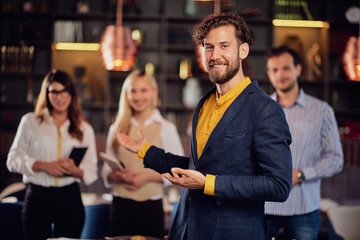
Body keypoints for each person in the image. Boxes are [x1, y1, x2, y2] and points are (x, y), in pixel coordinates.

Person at [115, 13, 293, 240]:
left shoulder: (265, 109)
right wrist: (145, 151)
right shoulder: (204, 103)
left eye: (224, 46)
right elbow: (195, 168)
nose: (215, 55)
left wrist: (209, 183)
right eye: (209, 47)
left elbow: (278, 185)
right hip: (187, 230)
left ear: (243, 50)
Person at [6, 69, 98, 240]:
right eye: (54, 91)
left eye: (64, 91)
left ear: (71, 94)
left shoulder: (84, 129)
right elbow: (12, 161)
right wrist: (43, 166)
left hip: (69, 197)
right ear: (46, 94)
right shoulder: (30, 121)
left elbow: (91, 172)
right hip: (37, 197)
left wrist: (74, 170)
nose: (59, 97)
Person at [265, 46, 344, 240]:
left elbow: (335, 158)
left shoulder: (322, 111)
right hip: (265, 206)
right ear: (268, 73)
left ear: (298, 69)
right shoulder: (261, 110)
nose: (280, 74)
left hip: (304, 209)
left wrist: (301, 174)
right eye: (274, 70)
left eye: (285, 68)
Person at [101, 69, 184, 238]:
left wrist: (145, 177)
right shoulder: (117, 128)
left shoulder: (166, 128)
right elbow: (106, 171)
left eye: (143, 90)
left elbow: (177, 170)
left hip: (151, 207)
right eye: (133, 91)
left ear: (154, 92)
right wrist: (117, 176)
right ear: (126, 94)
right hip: (120, 205)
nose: (138, 97)